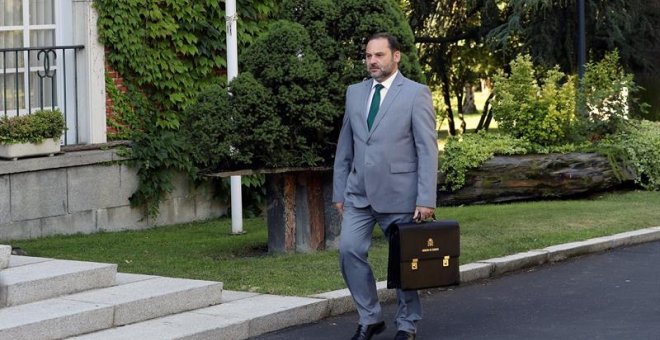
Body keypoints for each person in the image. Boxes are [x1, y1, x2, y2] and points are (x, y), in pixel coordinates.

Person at [332, 32, 438, 340]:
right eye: (368, 56)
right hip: (358, 194)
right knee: (349, 250)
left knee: (405, 264)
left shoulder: (416, 93)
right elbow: (345, 145)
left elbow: (427, 149)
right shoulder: (354, 92)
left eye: (379, 55)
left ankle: (407, 324)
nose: (372, 61)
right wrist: (340, 190)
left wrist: (425, 198)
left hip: (401, 195)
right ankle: (370, 317)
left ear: (396, 56)